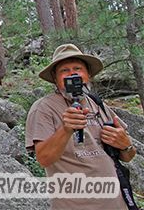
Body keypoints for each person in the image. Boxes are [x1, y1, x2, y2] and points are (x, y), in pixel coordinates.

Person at [25, 43, 137, 210]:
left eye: (77, 68)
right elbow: (44, 159)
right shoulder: (44, 108)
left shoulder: (98, 104)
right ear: (55, 79)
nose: (72, 73)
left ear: (88, 75)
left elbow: (128, 156)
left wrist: (125, 144)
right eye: (64, 70)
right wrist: (66, 129)